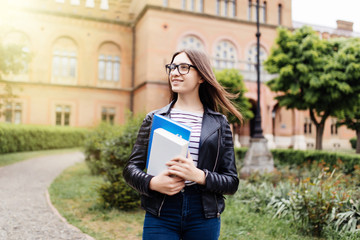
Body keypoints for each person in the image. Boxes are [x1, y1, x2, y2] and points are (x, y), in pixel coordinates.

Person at [123, 49, 242, 240]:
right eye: (172, 67)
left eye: (184, 67)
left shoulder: (219, 124)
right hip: (161, 211)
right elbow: (130, 169)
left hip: (202, 214)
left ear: (202, 76)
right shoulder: (154, 118)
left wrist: (198, 175)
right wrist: (152, 183)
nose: (174, 72)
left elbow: (231, 182)